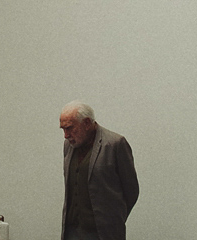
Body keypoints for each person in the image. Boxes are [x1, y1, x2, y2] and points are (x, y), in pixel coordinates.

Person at [59, 101, 139, 240]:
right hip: (72, 232)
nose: (66, 135)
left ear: (87, 123)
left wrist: (114, 219)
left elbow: (131, 191)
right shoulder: (69, 146)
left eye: (70, 128)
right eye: (63, 129)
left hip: (104, 233)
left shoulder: (115, 144)